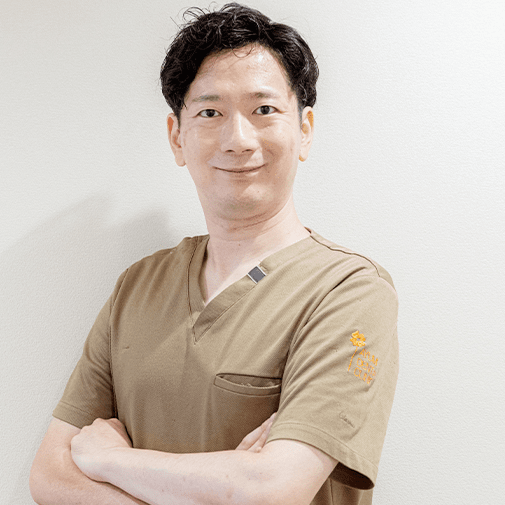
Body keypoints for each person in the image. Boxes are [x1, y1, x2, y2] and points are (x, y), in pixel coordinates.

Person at [30, 3, 399, 505]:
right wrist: (229, 483)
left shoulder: (348, 292)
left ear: (305, 130)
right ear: (177, 138)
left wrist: (111, 461)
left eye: (264, 110)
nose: (238, 140)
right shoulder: (138, 285)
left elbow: (273, 489)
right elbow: (51, 477)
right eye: (210, 112)